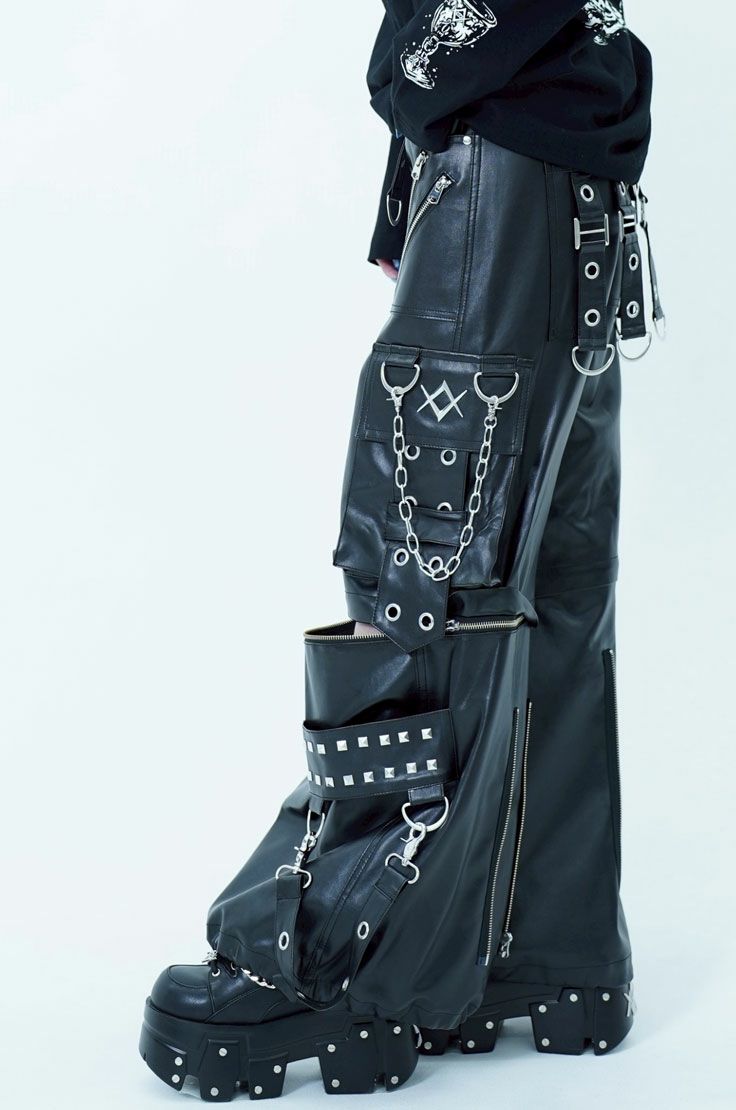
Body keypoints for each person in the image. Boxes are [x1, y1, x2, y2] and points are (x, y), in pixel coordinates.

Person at [139, 2, 664, 1099]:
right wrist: (412, 177)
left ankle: (341, 962)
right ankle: (538, 945)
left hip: (505, 188)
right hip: (567, 187)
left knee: (424, 581)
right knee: (548, 593)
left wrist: (416, 98)